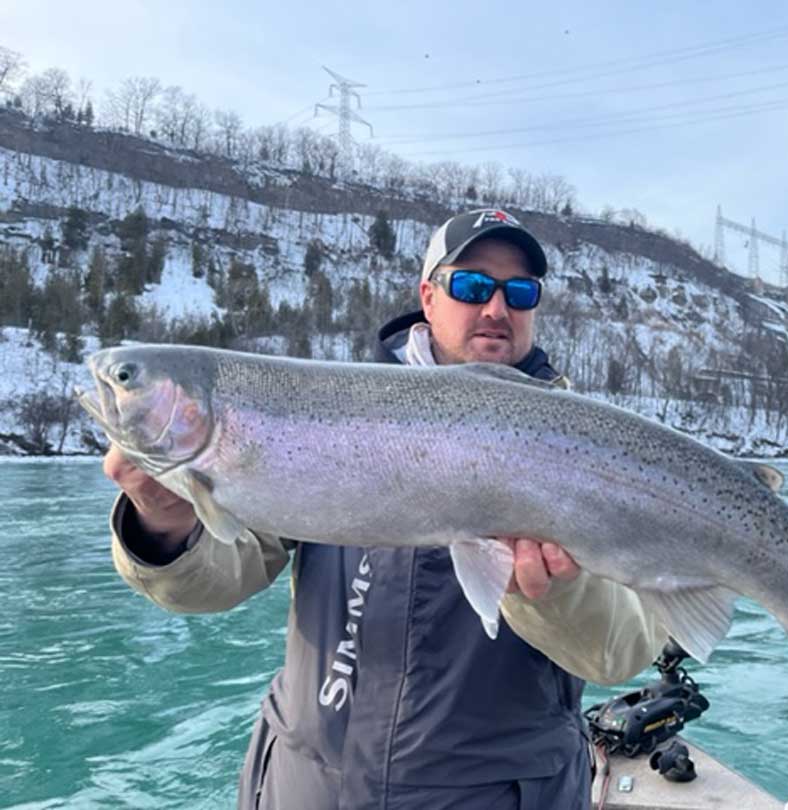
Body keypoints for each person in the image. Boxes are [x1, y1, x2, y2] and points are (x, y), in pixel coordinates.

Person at [104, 208, 666, 810]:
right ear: (428, 296)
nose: (497, 308)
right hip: (305, 785)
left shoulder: (593, 446)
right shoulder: (318, 414)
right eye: (473, 286)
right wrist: (164, 524)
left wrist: (555, 594)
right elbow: (217, 583)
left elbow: (623, 651)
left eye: (520, 291)